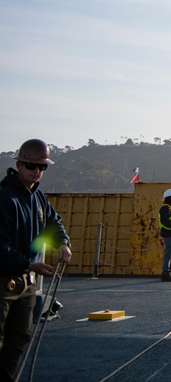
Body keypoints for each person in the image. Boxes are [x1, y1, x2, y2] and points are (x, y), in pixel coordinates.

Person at [0, 139, 72, 382]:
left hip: (25, 282)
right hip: (3, 280)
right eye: (32, 166)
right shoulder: (5, 198)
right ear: (19, 164)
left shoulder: (38, 198)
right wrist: (29, 265)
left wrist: (63, 243)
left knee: (19, 338)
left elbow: (53, 222)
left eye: (42, 167)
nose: (37, 171)